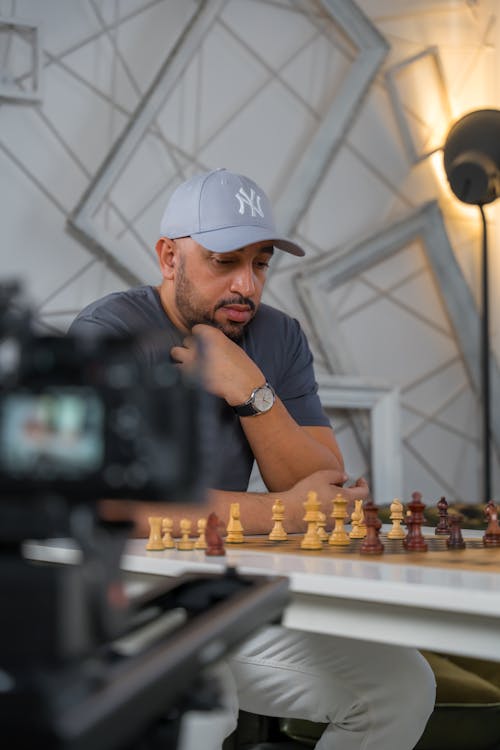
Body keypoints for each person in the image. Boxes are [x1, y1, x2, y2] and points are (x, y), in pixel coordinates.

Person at [69, 168, 436, 750]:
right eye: (224, 261)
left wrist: (251, 390)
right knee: (201, 695)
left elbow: (321, 479)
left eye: (261, 263)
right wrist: (279, 514)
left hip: (221, 595)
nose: (247, 285)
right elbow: (115, 504)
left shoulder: (278, 337)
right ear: (170, 258)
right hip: (123, 600)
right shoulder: (109, 331)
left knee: (402, 685)